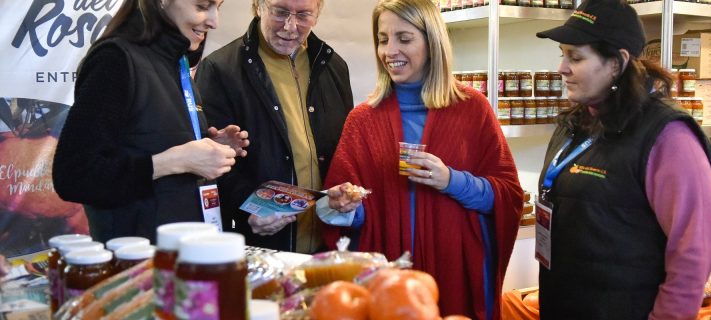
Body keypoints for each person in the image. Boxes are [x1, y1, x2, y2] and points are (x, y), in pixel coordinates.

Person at [320, 0, 524, 318]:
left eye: (404, 38)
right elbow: (345, 213)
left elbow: (507, 196)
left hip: (455, 272)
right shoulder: (362, 120)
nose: (390, 51)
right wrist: (344, 206)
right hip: (389, 280)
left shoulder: (473, 108)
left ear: (432, 43)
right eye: (383, 39)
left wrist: (451, 181)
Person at [534, 0, 711, 319]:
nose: (562, 68)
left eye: (575, 57)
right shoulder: (576, 123)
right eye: (562, 54)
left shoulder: (668, 137)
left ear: (617, 63)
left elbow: (693, 254)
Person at [53, 0, 249, 243]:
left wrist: (208, 147)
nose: (214, 22)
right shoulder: (115, 59)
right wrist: (176, 160)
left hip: (183, 250)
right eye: (201, 6)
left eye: (217, 8)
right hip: (135, 256)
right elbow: (74, 176)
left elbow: (146, 140)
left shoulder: (175, 62)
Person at [195, 0, 353, 253]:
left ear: (317, 14)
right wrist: (248, 208)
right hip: (260, 247)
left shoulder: (334, 67)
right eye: (280, 12)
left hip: (327, 245)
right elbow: (209, 167)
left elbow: (344, 152)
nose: (290, 27)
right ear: (259, 6)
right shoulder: (220, 69)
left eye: (304, 15)